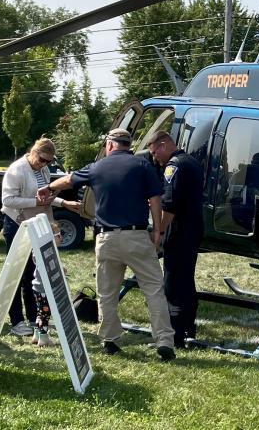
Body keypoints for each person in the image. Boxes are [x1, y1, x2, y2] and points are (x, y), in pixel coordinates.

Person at [42, 128, 175, 361]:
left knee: (107, 293)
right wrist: (158, 230)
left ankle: (110, 340)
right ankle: (164, 342)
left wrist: (50, 188)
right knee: (154, 290)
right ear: (127, 145)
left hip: (106, 239)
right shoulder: (142, 166)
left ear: (110, 145)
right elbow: (156, 200)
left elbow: (69, 179)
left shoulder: (97, 167)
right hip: (136, 236)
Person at [0, 137, 80, 342]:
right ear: (34, 152)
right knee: (19, 275)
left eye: (49, 162)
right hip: (17, 224)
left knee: (34, 275)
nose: (45, 164)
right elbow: (7, 200)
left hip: (36, 224)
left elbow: (46, 198)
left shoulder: (42, 170)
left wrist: (64, 203)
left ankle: (35, 320)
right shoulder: (17, 170)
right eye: (43, 160)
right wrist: (35, 201)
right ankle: (17, 321)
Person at [149, 131, 204, 348]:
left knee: (173, 284)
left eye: (154, 153)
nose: (155, 158)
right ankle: (188, 328)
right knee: (186, 280)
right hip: (192, 229)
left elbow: (170, 206)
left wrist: (159, 232)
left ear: (163, 145)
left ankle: (175, 336)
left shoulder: (174, 166)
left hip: (179, 231)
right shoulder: (190, 161)